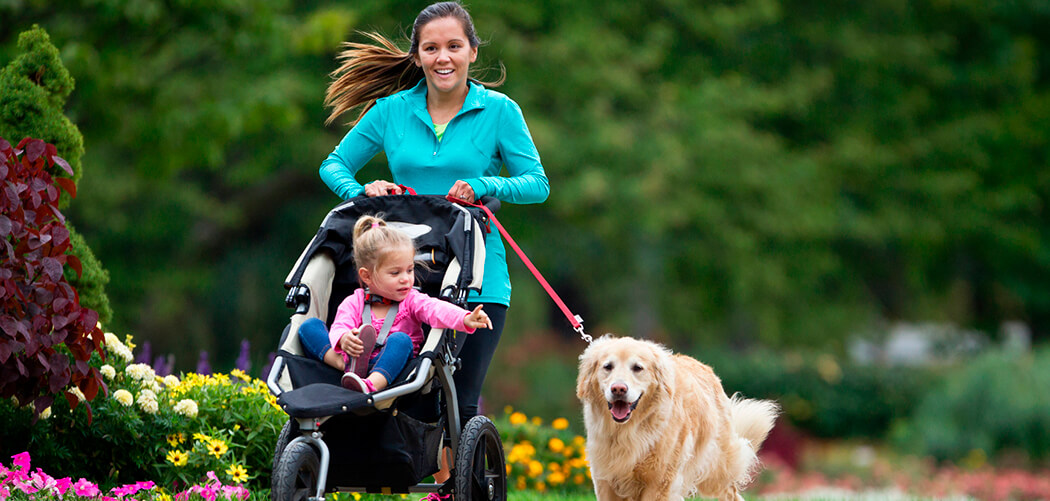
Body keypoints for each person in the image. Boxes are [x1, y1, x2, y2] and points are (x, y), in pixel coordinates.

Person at [319, 0, 548, 434]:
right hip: (402, 277)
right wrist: (362, 194)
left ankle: (453, 487)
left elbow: (537, 184)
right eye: (431, 48)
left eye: (454, 46)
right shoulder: (390, 111)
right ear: (418, 55)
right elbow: (333, 165)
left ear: (472, 51)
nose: (443, 58)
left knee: (459, 399)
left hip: (478, 275)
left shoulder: (500, 111)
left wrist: (485, 185)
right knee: (414, 399)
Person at [297, 215, 492, 394]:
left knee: (401, 340)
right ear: (367, 276)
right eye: (395, 273)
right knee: (308, 327)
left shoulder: (412, 300)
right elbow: (341, 323)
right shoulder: (354, 301)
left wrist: (465, 318)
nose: (406, 279)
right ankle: (342, 364)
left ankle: (372, 384)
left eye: (409, 270)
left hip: (392, 363)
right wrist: (344, 339)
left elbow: (436, 309)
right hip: (353, 357)